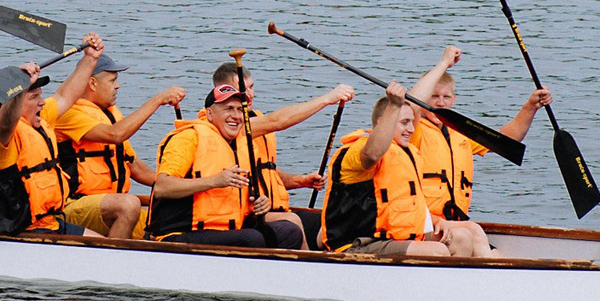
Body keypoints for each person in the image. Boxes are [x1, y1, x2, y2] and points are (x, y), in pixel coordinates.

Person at [0, 39, 142, 238]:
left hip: (49, 222)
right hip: (21, 229)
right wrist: (18, 88)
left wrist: (90, 58)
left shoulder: (39, 119)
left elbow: (64, 96)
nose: (42, 102)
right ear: (14, 103)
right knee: (105, 246)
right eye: (33, 97)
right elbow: (6, 123)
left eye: (40, 96)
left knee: (105, 245)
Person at [323, 84, 493, 257]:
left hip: (397, 237)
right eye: (404, 123)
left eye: (412, 122)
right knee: (438, 251)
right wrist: (394, 105)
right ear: (383, 122)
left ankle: (463, 275)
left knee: (461, 238)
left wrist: (437, 221)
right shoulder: (358, 150)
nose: (411, 129)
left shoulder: (408, 153)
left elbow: (412, 206)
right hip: (361, 241)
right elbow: (372, 154)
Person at [151, 79, 310, 251]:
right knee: (251, 239)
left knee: (290, 231)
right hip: (180, 233)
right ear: (210, 114)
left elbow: (245, 200)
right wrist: (215, 181)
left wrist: (260, 204)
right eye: (228, 109)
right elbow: (162, 187)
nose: (236, 115)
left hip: (226, 230)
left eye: (240, 110)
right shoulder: (187, 139)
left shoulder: (243, 146)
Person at [206, 59, 353, 245]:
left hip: (273, 207)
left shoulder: (255, 119)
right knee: (293, 222)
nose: (250, 95)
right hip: (248, 213)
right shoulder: (233, 126)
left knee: (328, 223)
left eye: (251, 87)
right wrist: (327, 99)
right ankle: (308, 262)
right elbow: (277, 121)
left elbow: (264, 170)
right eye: (242, 90)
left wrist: (300, 181)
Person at [406, 46, 551, 229]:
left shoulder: (460, 132)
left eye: (446, 97)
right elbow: (410, 104)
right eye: (434, 96)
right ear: (424, 97)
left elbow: (507, 140)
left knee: (480, 240)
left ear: (454, 99)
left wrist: (531, 106)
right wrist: (444, 63)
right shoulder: (412, 129)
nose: (440, 103)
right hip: (424, 223)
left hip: (455, 222)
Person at [39, 53, 183, 216]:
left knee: (167, 215)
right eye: (112, 81)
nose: (118, 86)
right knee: (128, 205)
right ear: (92, 83)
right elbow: (115, 135)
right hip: (76, 203)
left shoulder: (110, 114)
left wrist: (172, 184)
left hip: (112, 203)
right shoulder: (68, 113)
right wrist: (158, 100)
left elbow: (133, 165)